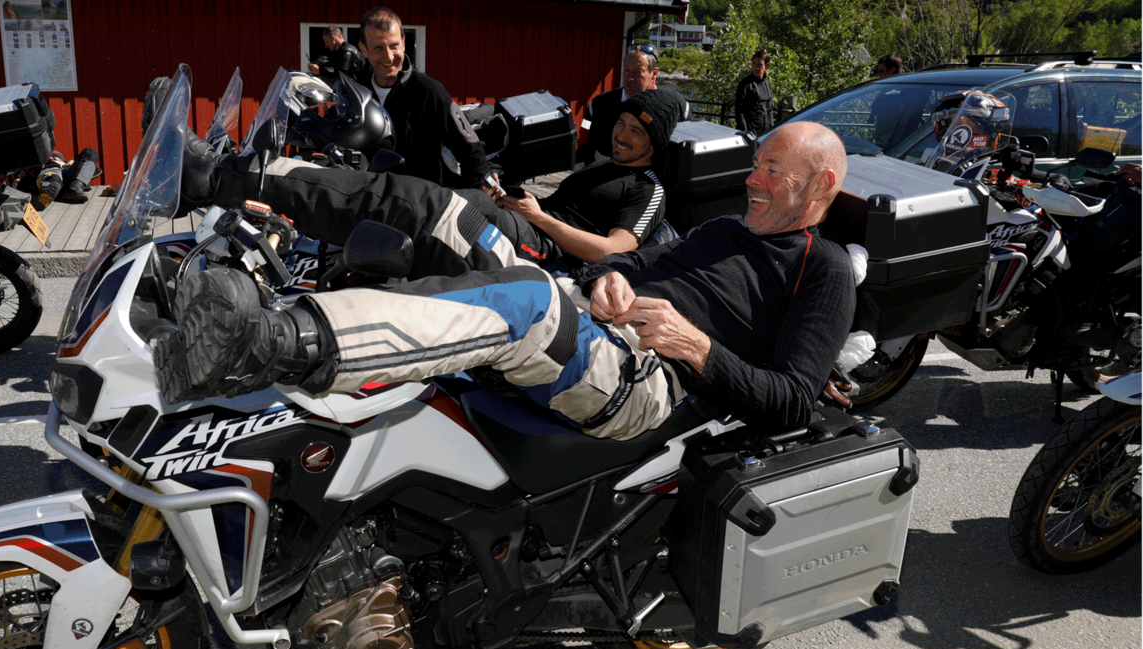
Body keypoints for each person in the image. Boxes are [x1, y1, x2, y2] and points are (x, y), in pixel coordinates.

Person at [156, 121, 855, 441]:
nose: (751, 180)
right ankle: (220, 178)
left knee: (526, 304)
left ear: (818, 186)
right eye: (755, 164)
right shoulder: (720, 231)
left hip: (648, 382)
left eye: (771, 171)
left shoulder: (819, 270)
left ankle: (266, 343)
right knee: (444, 207)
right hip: (586, 318)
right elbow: (628, 262)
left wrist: (693, 346)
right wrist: (610, 277)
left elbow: (793, 402)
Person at [171, 87, 681, 278]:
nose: (622, 136)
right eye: (621, 124)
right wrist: (507, 197)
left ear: (655, 142)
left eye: (636, 133)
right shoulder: (601, 167)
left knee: (409, 204)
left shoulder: (649, 188)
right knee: (383, 192)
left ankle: (214, 178)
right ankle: (239, 182)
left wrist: (539, 216)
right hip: (513, 222)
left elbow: (614, 251)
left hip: (536, 251)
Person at [355, 7, 490, 187]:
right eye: (378, 48)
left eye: (394, 45)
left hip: (423, 205)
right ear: (364, 49)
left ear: (403, 43)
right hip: (371, 200)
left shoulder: (429, 91)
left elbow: (470, 150)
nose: (389, 56)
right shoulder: (357, 91)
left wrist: (478, 199)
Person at [577, 44, 678, 164]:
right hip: (600, 173)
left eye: (638, 71)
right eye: (627, 70)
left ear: (654, 73)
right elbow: (584, 131)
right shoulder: (598, 103)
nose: (630, 77)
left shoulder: (675, 107)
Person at [735, 50, 773, 135]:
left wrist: (771, 130)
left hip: (764, 130)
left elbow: (770, 110)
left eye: (760, 65)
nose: (756, 68)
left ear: (766, 66)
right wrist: (744, 132)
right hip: (750, 130)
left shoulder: (767, 84)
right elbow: (739, 111)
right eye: (754, 64)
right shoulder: (745, 84)